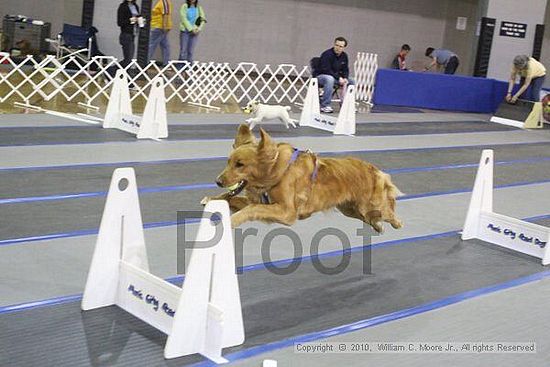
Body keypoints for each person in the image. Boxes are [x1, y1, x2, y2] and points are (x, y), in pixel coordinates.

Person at [316, 36, 354, 113]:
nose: (338, 48)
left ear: (344, 48)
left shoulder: (344, 56)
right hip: (321, 76)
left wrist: (345, 78)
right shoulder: (326, 54)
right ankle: (325, 105)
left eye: (340, 46)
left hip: (336, 77)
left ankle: (348, 105)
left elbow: (345, 69)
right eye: (336, 45)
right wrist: (339, 77)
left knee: (352, 81)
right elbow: (326, 70)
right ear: (334, 44)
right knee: (329, 79)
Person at [148, 0, 172, 66]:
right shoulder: (161, 2)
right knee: (165, 46)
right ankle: (166, 63)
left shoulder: (164, 2)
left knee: (152, 45)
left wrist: (164, 26)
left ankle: (144, 63)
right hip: (157, 26)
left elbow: (165, 14)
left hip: (159, 27)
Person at [117, 0, 140, 68]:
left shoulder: (135, 6)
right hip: (125, 34)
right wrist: (131, 20)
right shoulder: (122, 7)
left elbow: (138, 17)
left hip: (133, 34)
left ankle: (124, 74)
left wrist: (140, 21)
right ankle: (110, 71)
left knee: (129, 60)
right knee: (128, 60)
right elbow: (120, 23)